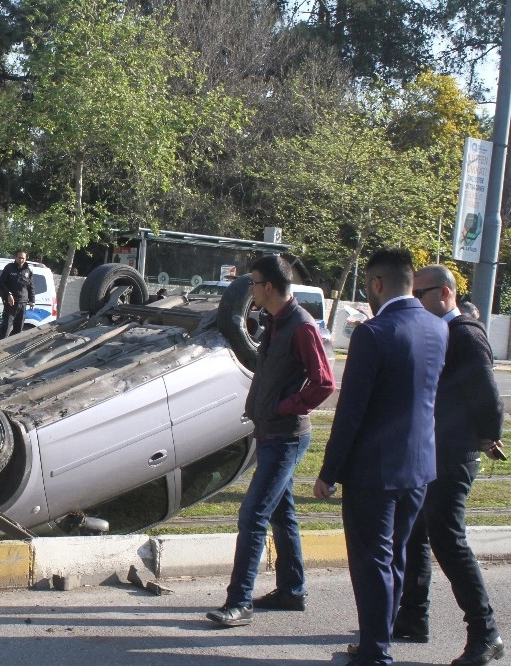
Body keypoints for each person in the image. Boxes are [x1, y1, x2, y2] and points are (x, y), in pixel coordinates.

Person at [313, 248, 447, 666]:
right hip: (419, 466)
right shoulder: (438, 327)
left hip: (374, 471)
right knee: (397, 555)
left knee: (372, 562)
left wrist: (328, 472)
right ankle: (379, 639)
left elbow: (350, 413)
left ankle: (375, 651)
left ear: (376, 284)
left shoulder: (373, 333)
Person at [207, 256, 335, 627]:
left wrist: (284, 407)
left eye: (254, 282)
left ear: (269, 287)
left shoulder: (301, 327)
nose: (250, 288)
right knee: (282, 512)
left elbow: (324, 383)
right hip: (269, 434)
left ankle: (239, 601)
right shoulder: (276, 323)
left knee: (253, 515)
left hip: (287, 437)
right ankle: (292, 591)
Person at [393, 264, 504, 665]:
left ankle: (486, 632)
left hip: (455, 454)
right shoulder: (442, 332)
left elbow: (489, 395)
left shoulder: (465, 335)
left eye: (419, 294)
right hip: (433, 450)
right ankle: (413, 617)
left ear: (444, 293)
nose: (415, 301)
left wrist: (488, 434)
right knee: (415, 533)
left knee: (449, 541)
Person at [0, 250, 34, 339]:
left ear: (25, 259)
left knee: (18, 330)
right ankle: (0, 347)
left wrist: (32, 300)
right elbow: (1, 283)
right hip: (10, 304)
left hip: (22, 303)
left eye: (23, 258)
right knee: (5, 329)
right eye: (19, 257)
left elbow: (31, 286)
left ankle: (10, 347)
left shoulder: (28, 270)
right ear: (15, 257)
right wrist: (8, 294)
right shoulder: (9, 268)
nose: (21, 260)